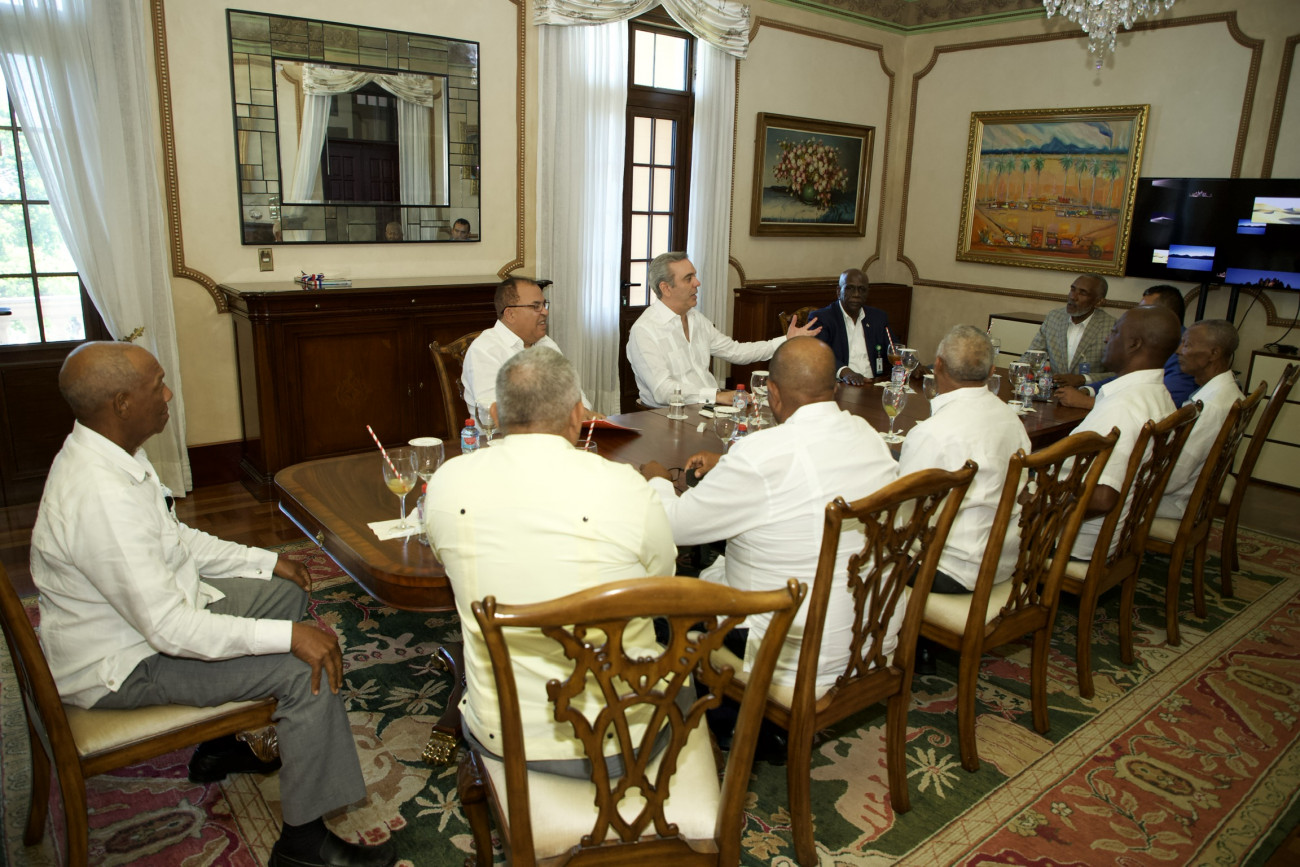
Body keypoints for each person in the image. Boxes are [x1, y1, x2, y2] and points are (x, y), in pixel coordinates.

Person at [30, 342, 394, 867]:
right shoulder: (98, 497)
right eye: (157, 385)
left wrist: (263, 561)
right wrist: (290, 638)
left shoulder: (113, 455)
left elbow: (175, 541)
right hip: (125, 663)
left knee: (285, 591)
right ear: (122, 404)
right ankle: (303, 846)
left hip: (143, 626)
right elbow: (169, 630)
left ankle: (229, 744)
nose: (168, 394)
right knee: (304, 670)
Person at [426, 347, 676, 774]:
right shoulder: (627, 487)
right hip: (621, 732)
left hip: (503, 733)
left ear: (496, 415)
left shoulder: (447, 483)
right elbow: (661, 587)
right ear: (578, 415)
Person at [640, 337, 900, 695]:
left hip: (787, 652)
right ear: (834, 387)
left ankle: (724, 711)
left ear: (773, 393)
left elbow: (671, 526)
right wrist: (729, 464)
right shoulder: (868, 437)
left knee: (649, 609)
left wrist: (656, 479)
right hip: (871, 636)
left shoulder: (760, 455)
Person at [897, 325, 1031, 592]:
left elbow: (903, 514)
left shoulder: (932, 433)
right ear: (992, 372)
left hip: (946, 569)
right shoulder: (1012, 420)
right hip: (1004, 562)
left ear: (938, 365)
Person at [627, 251, 821, 407]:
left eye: (695, 275)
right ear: (666, 288)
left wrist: (786, 340)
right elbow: (662, 391)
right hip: (667, 417)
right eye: (688, 278)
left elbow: (736, 351)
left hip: (709, 409)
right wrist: (717, 396)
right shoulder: (644, 330)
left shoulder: (696, 319)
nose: (697, 283)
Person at [1067, 305, 1183, 560]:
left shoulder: (1123, 408)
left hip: (1070, 542)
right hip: (1118, 536)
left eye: (1115, 332)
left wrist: (1038, 509)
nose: (1107, 339)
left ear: (1134, 344)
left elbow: (1101, 498)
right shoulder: (1160, 396)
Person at [461, 276, 595, 416]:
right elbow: (500, 411)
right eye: (536, 306)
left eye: (544, 304)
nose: (545, 312)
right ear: (510, 314)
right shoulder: (485, 350)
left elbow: (575, 394)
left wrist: (582, 412)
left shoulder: (546, 343)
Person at [1058, 284, 1197, 409]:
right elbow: (1123, 379)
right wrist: (1087, 390)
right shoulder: (1150, 341)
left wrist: (1086, 402)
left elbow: (1166, 404)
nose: (1137, 316)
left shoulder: (1182, 352)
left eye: (1143, 311)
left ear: (1164, 317)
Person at [1156, 319, 1242, 520]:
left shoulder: (1212, 407)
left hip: (1174, 500)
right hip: (1185, 489)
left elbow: (1173, 478)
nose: (1179, 351)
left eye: (1187, 345)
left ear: (1214, 353)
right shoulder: (1228, 390)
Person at [1022, 273, 1116, 387]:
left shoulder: (1112, 327)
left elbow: (1119, 374)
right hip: (1054, 390)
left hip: (1089, 393)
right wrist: (1021, 369)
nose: (1073, 297)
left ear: (1099, 302)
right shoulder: (1054, 317)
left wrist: (1083, 379)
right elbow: (1032, 355)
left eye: (1083, 293)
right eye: (1073, 289)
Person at [807, 268, 891, 385]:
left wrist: (911, 364)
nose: (856, 294)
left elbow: (893, 349)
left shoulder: (878, 317)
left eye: (862, 289)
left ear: (867, 293)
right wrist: (845, 372)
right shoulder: (822, 318)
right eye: (850, 288)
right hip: (841, 384)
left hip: (874, 384)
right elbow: (818, 354)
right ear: (838, 291)